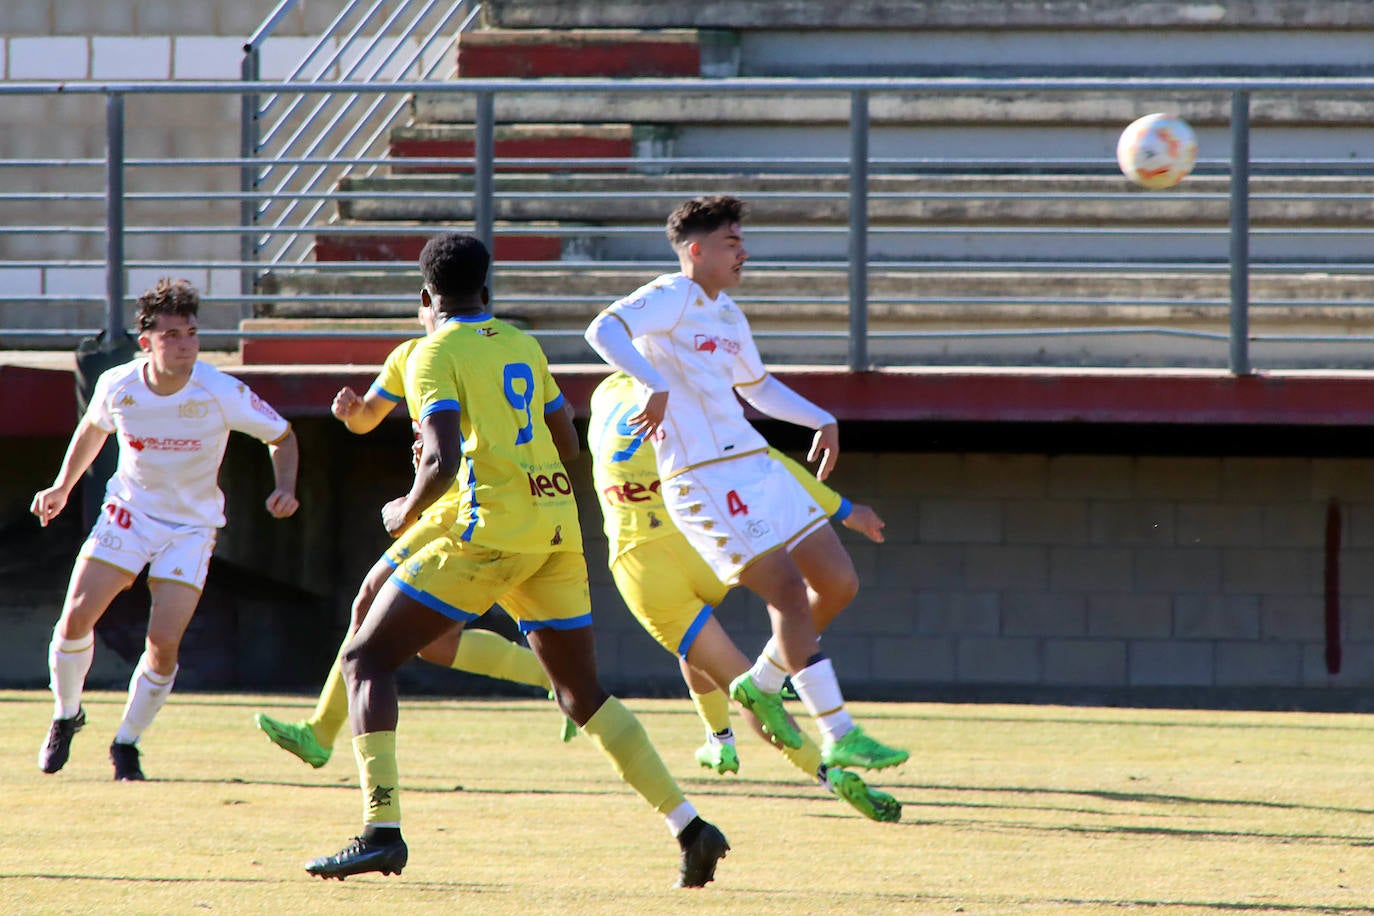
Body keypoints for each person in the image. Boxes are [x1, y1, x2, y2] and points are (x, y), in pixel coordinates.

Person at [305, 233, 728, 888]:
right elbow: (566, 439)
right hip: (555, 530)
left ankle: (381, 831)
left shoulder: (431, 352)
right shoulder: (523, 345)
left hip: (489, 532)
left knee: (365, 658)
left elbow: (442, 460)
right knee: (581, 694)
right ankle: (691, 827)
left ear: (425, 298)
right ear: (488, 291)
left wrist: (406, 508)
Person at [584, 194, 907, 773]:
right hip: (700, 477)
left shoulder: (729, 314)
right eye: (732, 243)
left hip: (752, 462)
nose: (744, 253)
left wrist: (822, 419)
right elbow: (602, 329)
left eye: (742, 242)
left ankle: (761, 683)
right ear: (697, 249)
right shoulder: (670, 296)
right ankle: (839, 731)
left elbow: (756, 388)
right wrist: (652, 381)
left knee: (837, 581)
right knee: (785, 589)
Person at [254, 306, 572, 770]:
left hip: (466, 504)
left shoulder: (460, 353)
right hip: (466, 506)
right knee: (436, 644)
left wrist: (411, 504)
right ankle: (559, 679)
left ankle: (320, 733)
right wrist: (351, 412)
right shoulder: (412, 357)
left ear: (428, 300)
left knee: (369, 597)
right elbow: (367, 419)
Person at [589, 370, 899, 822]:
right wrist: (844, 509)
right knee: (807, 600)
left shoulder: (605, 393)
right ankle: (723, 736)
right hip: (703, 540)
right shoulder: (693, 390)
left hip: (644, 563)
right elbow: (763, 458)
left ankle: (819, 772)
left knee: (733, 679)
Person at [31, 278, 299, 781]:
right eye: (173, 335)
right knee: (74, 620)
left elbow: (282, 435)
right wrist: (62, 487)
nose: (185, 345)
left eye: (192, 333)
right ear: (146, 342)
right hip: (128, 515)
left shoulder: (220, 390)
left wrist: (284, 488)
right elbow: (93, 427)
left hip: (190, 529)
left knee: (163, 644)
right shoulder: (118, 383)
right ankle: (66, 716)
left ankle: (127, 743)